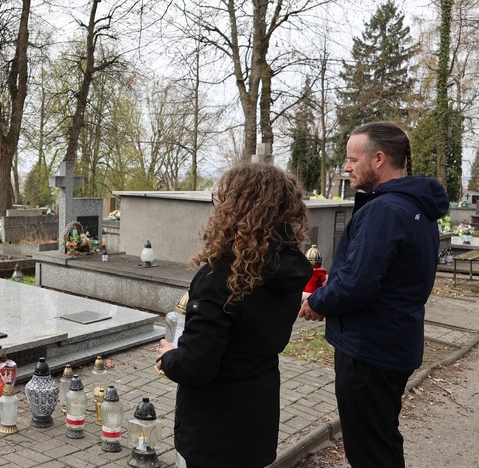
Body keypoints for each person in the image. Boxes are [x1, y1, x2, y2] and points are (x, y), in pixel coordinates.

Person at [299, 122, 448, 468]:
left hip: (369, 350)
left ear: (378, 159)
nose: (346, 167)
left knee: (369, 452)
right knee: (381, 439)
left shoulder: (384, 211)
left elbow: (357, 284)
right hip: (394, 342)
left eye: (353, 159)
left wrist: (316, 302)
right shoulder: (414, 207)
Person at [156, 162, 312, 468]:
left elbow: (196, 366)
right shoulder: (288, 269)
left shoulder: (222, 278)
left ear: (233, 210)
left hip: (214, 431)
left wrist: (168, 356)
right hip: (257, 418)